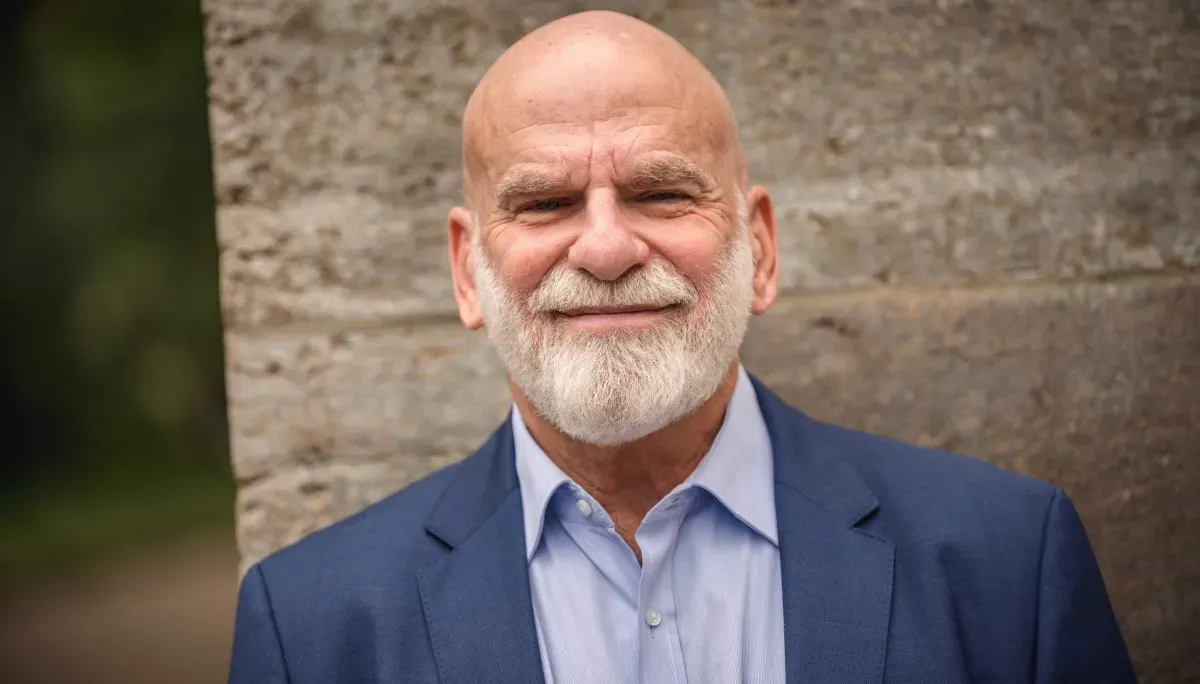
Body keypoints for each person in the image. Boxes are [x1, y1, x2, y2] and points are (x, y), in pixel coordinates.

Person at [228, 10, 1135, 684]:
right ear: (469, 271)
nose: (606, 249)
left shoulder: (1009, 562)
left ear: (761, 250)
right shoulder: (310, 629)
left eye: (662, 193)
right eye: (544, 203)